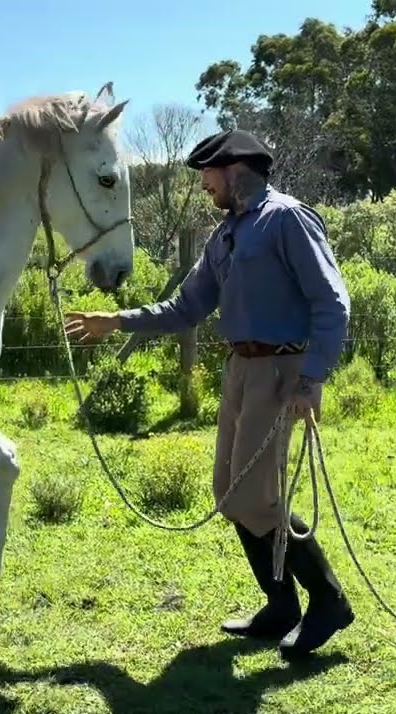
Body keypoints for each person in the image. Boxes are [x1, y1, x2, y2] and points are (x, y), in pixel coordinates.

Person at [63, 128, 355, 660]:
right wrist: (117, 320)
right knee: (230, 493)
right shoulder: (225, 235)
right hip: (240, 370)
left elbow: (332, 302)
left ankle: (329, 601)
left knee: (257, 499)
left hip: (281, 370)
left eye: (206, 174)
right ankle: (281, 605)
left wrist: (312, 379)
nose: (202, 184)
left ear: (233, 169)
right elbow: (186, 307)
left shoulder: (286, 219)